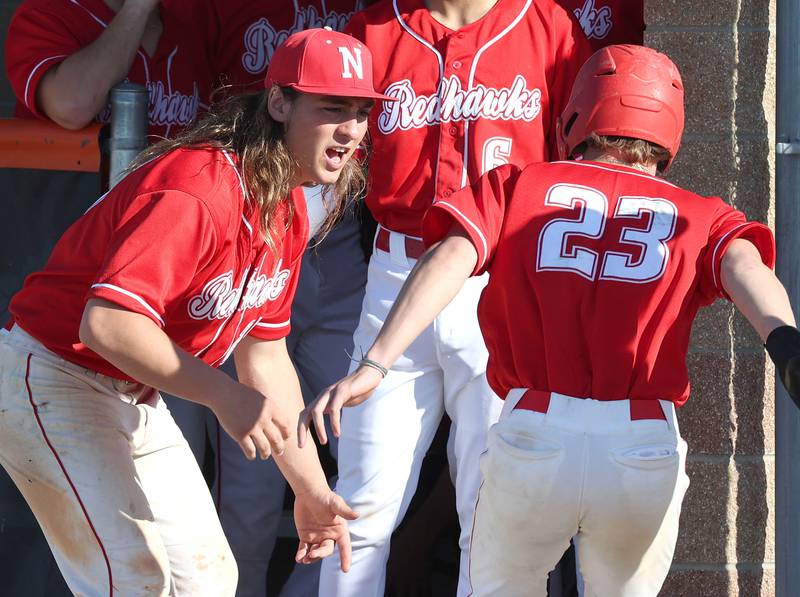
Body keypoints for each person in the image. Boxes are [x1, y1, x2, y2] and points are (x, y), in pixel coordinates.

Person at [301, 44, 800, 595]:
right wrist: (784, 341)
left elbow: (447, 257)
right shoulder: (701, 212)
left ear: (579, 112)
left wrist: (377, 361)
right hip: (640, 445)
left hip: (535, 435)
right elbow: (744, 265)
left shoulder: (519, 184)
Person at [0, 28, 394, 596]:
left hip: (127, 394)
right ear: (279, 103)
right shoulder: (199, 185)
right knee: (132, 578)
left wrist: (309, 489)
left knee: (207, 580)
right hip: (52, 376)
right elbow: (107, 323)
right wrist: (223, 394)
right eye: (332, 108)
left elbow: (267, 360)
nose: (351, 129)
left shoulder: (285, 208)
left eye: (361, 112)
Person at [310, 1, 590, 595]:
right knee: (358, 510)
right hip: (394, 275)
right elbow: (320, 163)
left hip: (505, 281)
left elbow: (583, 172)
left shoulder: (551, 28)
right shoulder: (372, 29)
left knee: (491, 515)